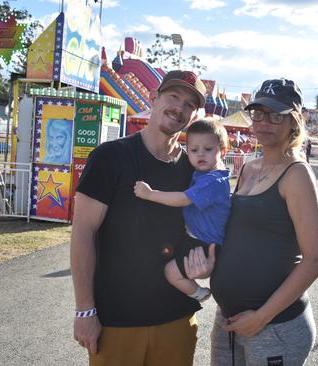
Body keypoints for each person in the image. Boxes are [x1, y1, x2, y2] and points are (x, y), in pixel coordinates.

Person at [71, 70, 214, 366]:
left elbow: (206, 230)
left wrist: (206, 264)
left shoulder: (195, 172)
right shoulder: (110, 157)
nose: (179, 107)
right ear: (153, 98)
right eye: (174, 96)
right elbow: (83, 232)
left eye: (189, 103)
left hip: (177, 320)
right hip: (117, 323)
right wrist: (85, 310)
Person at [191, 78, 318, 365]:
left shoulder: (297, 174)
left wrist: (262, 317)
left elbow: (315, 260)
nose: (264, 122)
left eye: (276, 115)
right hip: (229, 319)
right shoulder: (249, 169)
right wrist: (212, 261)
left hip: (274, 326)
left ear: (294, 122)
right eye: (259, 113)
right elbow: (239, 234)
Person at [134, 119, 230, 303]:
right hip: (196, 237)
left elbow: (183, 199)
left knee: (171, 272)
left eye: (208, 149)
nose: (200, 154)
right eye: (194, 150)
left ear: (223, 151)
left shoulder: (212, 181)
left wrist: (150, 194)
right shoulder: (205, 174)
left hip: (202, 242)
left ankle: (198, 293)